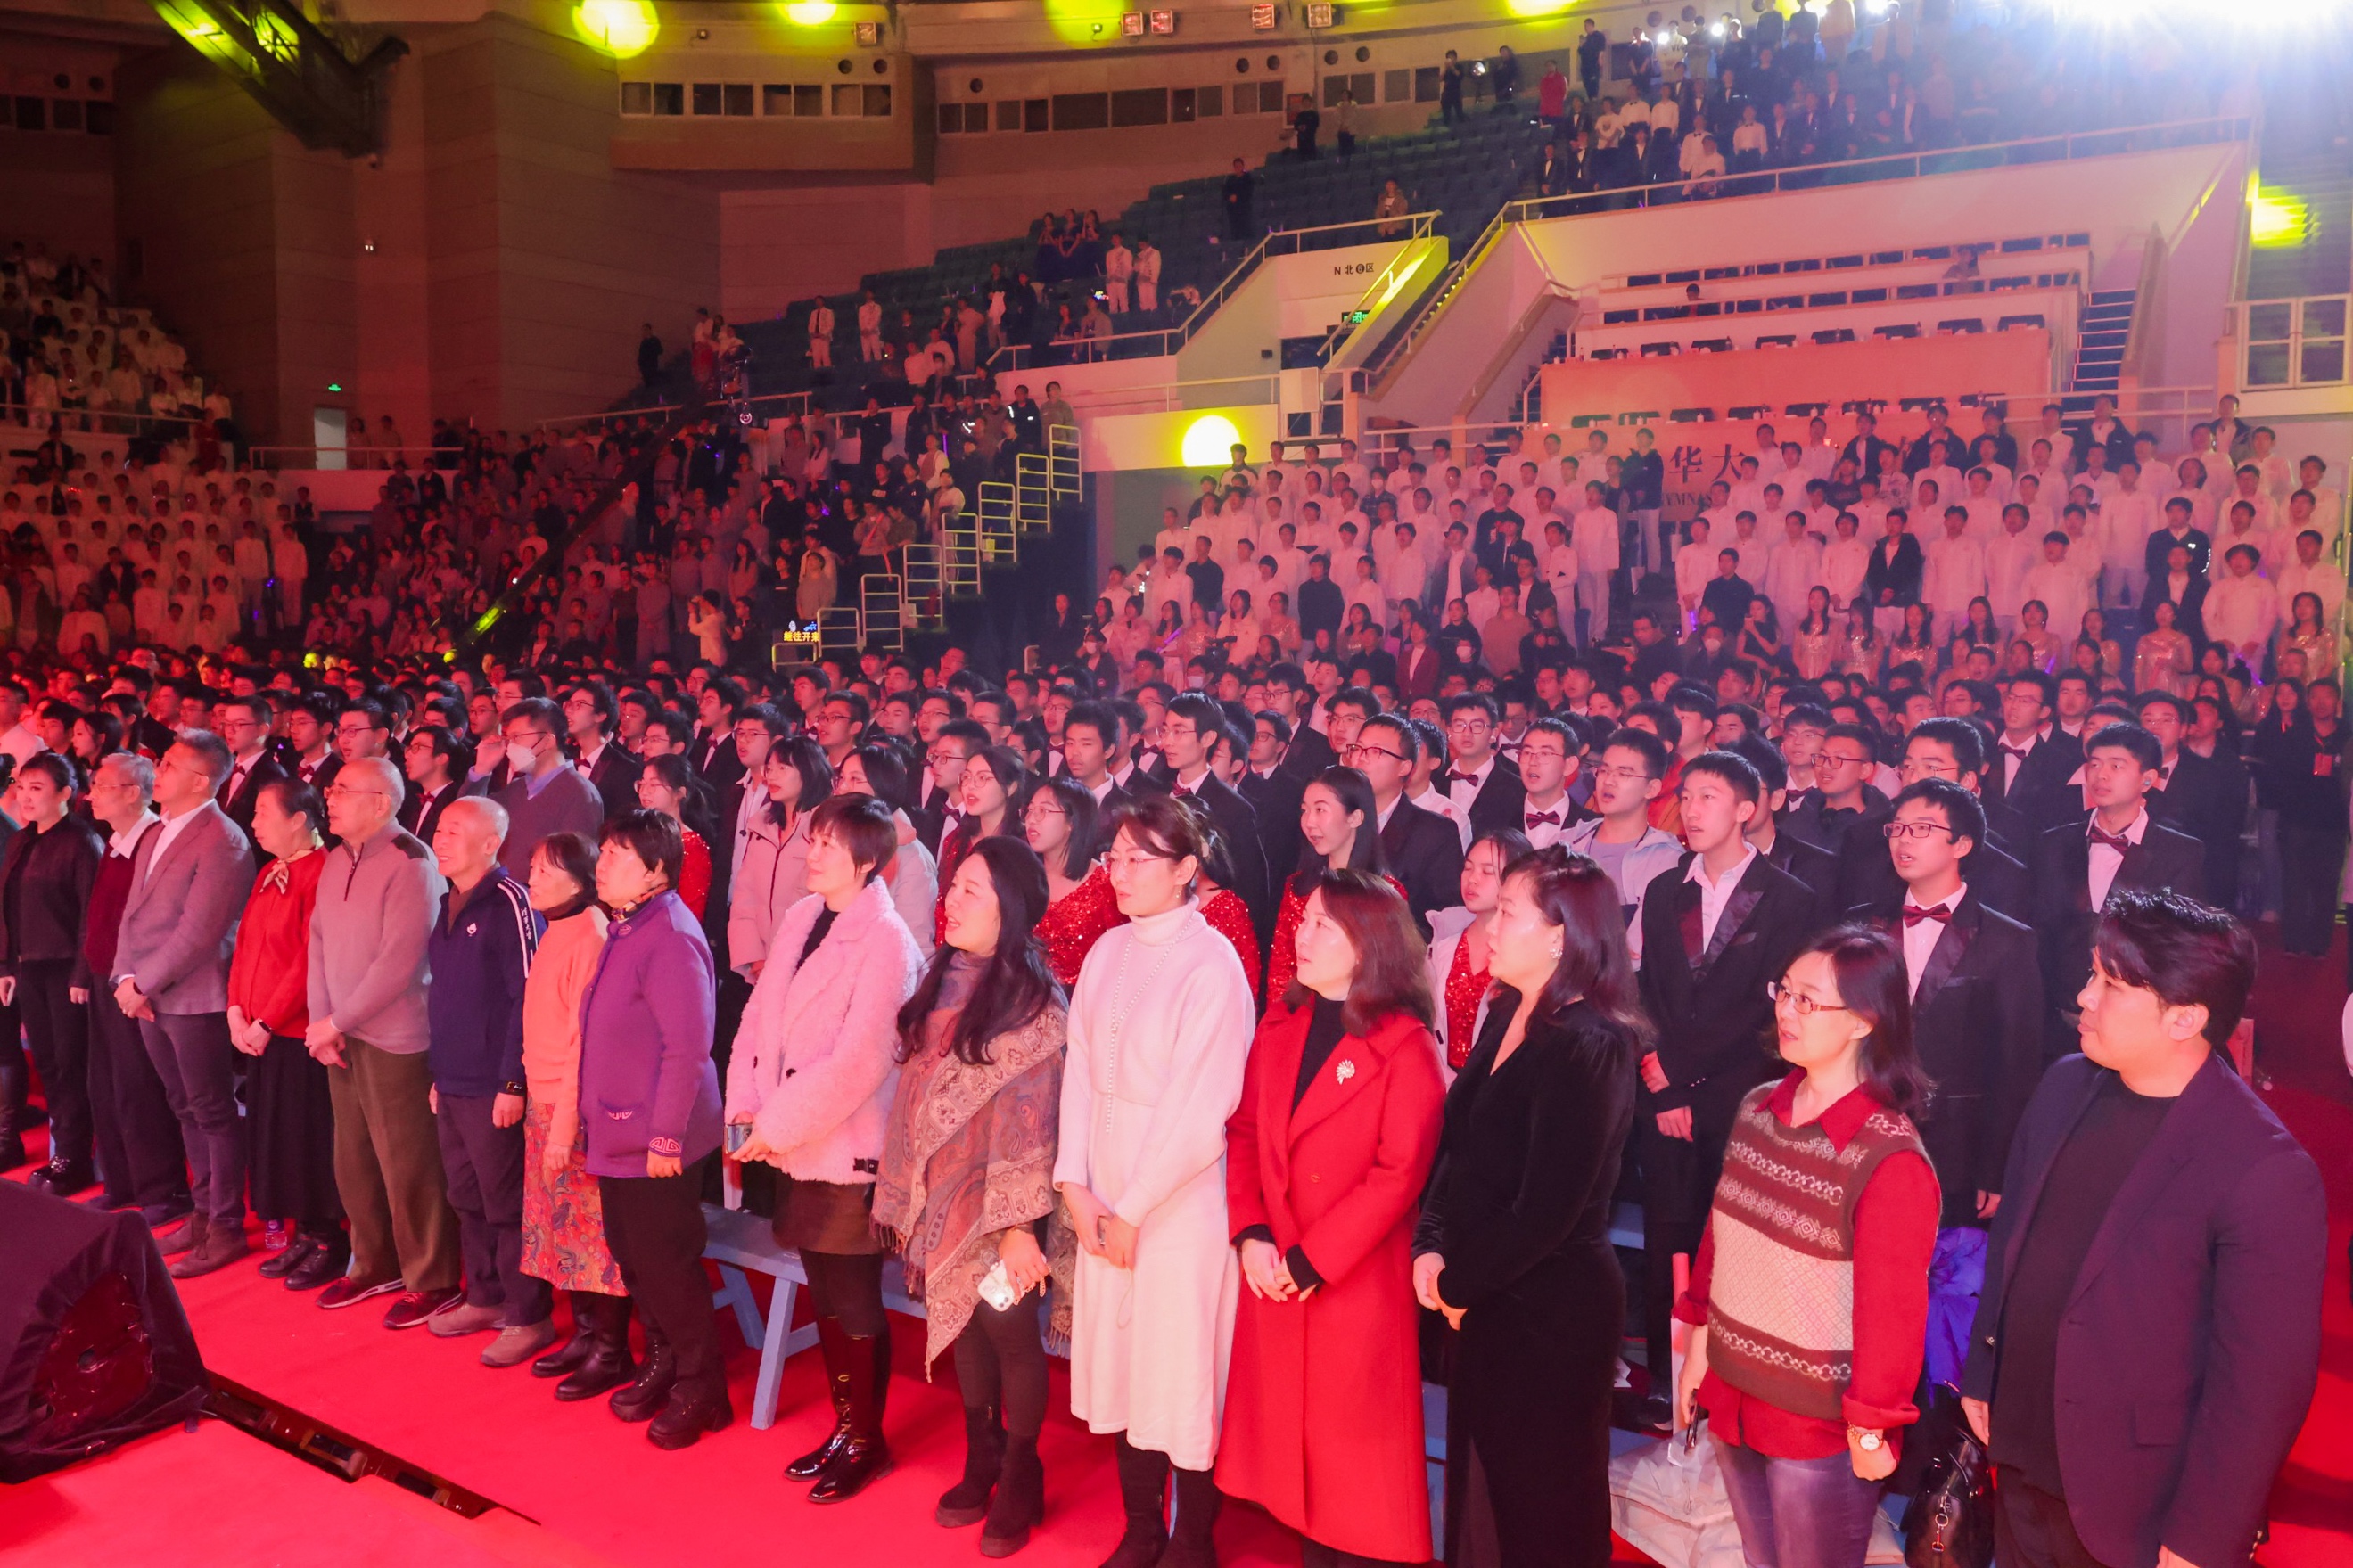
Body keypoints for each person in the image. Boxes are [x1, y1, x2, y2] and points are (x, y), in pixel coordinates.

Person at [1962, 891, 2325, 1568]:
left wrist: (2200, 1540)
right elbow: (2012, 1243)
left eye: (2110, 984)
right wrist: (1984, 1369)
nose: (2083, 996)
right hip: (2018, 1453)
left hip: (2134, 1502)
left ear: (2185, 1017)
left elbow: (2259, 1386)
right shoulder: (2064, 1085)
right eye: (2091, 973)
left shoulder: (2262, 1167)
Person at [1674, 926, 1940, 1568]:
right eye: (1784, 992)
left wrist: (1871, 1424)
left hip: (1814, 1425)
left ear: (1862, 1021)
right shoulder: (1758, 1107)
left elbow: (1891, 1312)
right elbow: (1720, 1235)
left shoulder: (1886, 1155)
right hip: (1734, 1393)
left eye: (1808, 1000)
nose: (1787, 1011)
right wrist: (1698, 1348)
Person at [1413, 849, 1643, 1567]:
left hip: (1550, 1310)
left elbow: (1547, 1209)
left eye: (1507, 912)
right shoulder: (1508, 1011)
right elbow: (1459, 1147)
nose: (1489, 924)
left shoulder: (1593, 1043)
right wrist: (1429, 1242)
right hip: (1485, 1295)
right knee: (1480, 1494)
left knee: (1540, 1506)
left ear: (1558, 936)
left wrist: (1457, 1285)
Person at [1220, 869, 1444, 1568]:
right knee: (1296, 1473)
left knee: (1356, 1480)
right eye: (1303, 919)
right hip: (1276, 1269)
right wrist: (1251, 1234)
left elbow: (1398, 1172)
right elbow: (1244, 1131)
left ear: (1368, 941)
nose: (1301, 934)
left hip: (1349, 1279)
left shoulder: (1404, 1043)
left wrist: (1313, 1259)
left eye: (1323, 923)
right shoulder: (1281, 1022)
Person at [1056, 795, 1255, 1568]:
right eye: (1115, 855)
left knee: (1178, 1369)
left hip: (1176, 1203)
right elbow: (1079, 1075)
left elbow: (1201, 1110)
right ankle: (1140, 1530)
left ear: (1185, 869)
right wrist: (1074, 1185)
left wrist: (1132, 1209)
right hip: (1104, 1190)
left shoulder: (1213, 963)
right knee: (1122, 1367)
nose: (1120, 870)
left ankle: (1191, 1541)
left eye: (1139, 857)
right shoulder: (1107, 949)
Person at [875, 837, 1071, 1556]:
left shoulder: (1033, 999)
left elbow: (1034, 1117)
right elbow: (915, 1092)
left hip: (1006, 1204)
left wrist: (1019, 1227)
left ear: (1008, 907)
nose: (950, 900)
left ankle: (1021, 1469)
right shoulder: (944, 975)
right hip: (941, 1193)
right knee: (962, 1326)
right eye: (952, 885)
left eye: (970, 890)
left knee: (1008, 1332)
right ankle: (980, 1453)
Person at [728, 792, 923, 1498]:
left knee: (853, 1295)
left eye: (829, 845)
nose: (812, 854)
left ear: (868, 861)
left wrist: (772, 1125)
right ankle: (847, 1426)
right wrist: (744, 1106)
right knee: (826, 1291)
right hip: (790, 1137)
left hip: (846, 1146)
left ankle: (867, 1439)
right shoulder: (803, 916)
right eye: (813, 840)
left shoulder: (887, 940)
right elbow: (757, 1019)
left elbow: (859, 1062)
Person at [1633, 751, 1822, 1424]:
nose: (1690, 809)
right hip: (1664, 1093)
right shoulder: (1664, 889)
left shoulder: (1790, 898)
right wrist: (1662, 1084)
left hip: (1741, 1094)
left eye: (1708, 796)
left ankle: (1729, 1377)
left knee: (1738, 1239)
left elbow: (1766, 1010)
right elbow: (1649, 993)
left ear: (1747, 808)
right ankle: (1667, 1376)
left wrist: (1684, 1074)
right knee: (1667, 1235)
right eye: (1685, 796)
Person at [578, 810, 728, 1448]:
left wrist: (666, 1135)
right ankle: (663, 1362)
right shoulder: (627, 926)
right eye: (604, 850)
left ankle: (703, 1387)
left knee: (666, 1263)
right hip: (620, 1126)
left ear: (656, 871)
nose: (602, 863)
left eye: (618, 854)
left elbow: (687, 1047)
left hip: (656, 1137)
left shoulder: (669, 934)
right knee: (633, 1256)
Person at [1851, 779, 2044, 1233]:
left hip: (1955, 1146)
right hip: (1862, 1128)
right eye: (1897, 828)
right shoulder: (1860, 925)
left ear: (1962, 844)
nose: (1903, 839)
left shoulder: (2007, 940)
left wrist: (1996, 1166)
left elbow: (2016, 1064)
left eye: (1922, 828)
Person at [309, 754, 462, 1325]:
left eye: (342, 790)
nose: (329, 798)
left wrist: (337, 1021)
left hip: (395, 1036)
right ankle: (373, 1263)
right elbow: (317, 941)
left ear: (379, 803)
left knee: (408, 1164)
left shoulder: (411, 861)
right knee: (353, 1160)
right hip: (340, 1034)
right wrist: (321, 1021)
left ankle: (432, 1277)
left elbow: (401, 962)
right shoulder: (335, 859)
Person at [115, 731, 256, 1278]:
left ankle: (226, 1224)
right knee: (182, 1105)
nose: (158, 771)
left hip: (195, 995)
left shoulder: (223, 839)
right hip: (151, 993)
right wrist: (127, 977)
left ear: (200, 781)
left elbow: (201, 932)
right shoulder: (157, 830)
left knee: (212, 1109)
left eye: (169, 765)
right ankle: (202, 1213)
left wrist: (143, 985)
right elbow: (132, 913)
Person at [423, 797, 555, 1367]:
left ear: (489, 843)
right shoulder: (448, 902)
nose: (440, 839)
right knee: (465, 1197)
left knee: (506, 1204)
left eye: (454, 831)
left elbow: (529, 997)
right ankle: (484, 1297)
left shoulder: (510, 902)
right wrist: (439, 1074)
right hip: (453, 1079)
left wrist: (513, 1082)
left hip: (495, 1084)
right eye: (440, 829)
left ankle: (528, 1315)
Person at [514, 831, 632, 1397]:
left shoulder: (590, 934)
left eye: (545, 870)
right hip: (544, 1100)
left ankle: (612, 1350)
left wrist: (563, 1124)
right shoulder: (556, 928)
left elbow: (582, 1045)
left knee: (592, 1234)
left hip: (575, 1109)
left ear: (580, 882)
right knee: (560, 1229)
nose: (532, 878)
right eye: (533, 867)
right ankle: (586, 1335)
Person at [226, 778, 347, 1291]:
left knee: (307, 1138)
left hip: (295, 1033)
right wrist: (235, 1010)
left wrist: (267, 1021)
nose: (253, 823)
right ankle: (302, 1233)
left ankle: (328, 1238)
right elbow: (244, 943)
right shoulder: (270, 870)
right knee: (276, 1138)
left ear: (299, 819)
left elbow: (307, 961)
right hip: (259, 1031)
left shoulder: (322, 870)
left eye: (262, 812)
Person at [78, 751, 190, 1227]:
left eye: (102, 786)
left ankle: (162, 1188)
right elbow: (99, 915)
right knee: (105, 1084)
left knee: (139, 1086)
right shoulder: (114, 841)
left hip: (137, 982)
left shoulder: (154, 839)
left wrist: (136, 980)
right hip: (105, 976)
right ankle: (121, 1181)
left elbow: (158, 921)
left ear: (131, 793)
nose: (91, 795)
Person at [0, 752, 103, 1195]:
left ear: (66, 793)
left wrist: (81, 973)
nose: (25, 797)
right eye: (21, 787)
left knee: (69, 1064)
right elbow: (9, 909)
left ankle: (74, 1157)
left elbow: (91, 916)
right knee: (46, 1060)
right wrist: (7, 965)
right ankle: (63, 1154)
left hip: (67, 969)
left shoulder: (81, 841)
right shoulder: (22, 840)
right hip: (29, 967)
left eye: (37, 789)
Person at [1268, 766, 1394, 1000]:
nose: (1309, 822)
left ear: (1355, 817)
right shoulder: (1299, 886)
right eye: (1304, 810)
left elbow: (1388, 976)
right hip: (1300, 1011)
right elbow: (1280, 972)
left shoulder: (1383, 893)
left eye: (1320, 810)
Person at [1426, 828, 1530, 1074]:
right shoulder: (1443, 946)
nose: (1472, 879)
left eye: (1488, 872)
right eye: (1468, 868)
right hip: (1439, 1078)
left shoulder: (1525, 957)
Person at [1025, 773, 1124, 986]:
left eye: (1043, 811)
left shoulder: (1104, 883)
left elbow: (1120, 956)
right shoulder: (1024, 875)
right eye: (1030, 810)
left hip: (1084, 996)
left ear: (1072, 821)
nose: (1031, 819)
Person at [491, 697, 605, 879]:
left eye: (517, 738)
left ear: (548, 741)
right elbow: (471, 820)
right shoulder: (515, 789)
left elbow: (575, 869)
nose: (510, 746)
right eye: (508, 739)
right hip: (504, 892)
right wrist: (481, 772)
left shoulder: (580, 794)